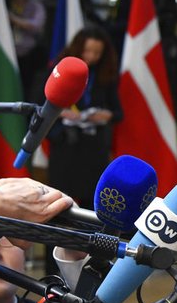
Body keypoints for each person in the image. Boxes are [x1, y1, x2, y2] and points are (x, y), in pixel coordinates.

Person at [48, 26, 122, 210]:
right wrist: (60, 112)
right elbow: (40, 104)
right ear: (78, 48)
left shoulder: (106, 76)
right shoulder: (61, 71)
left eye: (97, 52)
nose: (92, 56)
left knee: (92, 198)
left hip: (94, 147)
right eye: (88, 50)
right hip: (66, 143)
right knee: (59, 198)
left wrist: (106, 115)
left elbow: (119, 112)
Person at [6, 0, 47, 99]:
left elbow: (35, 25)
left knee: (26, 89)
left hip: (28, 56)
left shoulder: (35, 7)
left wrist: (13, 19)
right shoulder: (7, 4)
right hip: (8, 52)